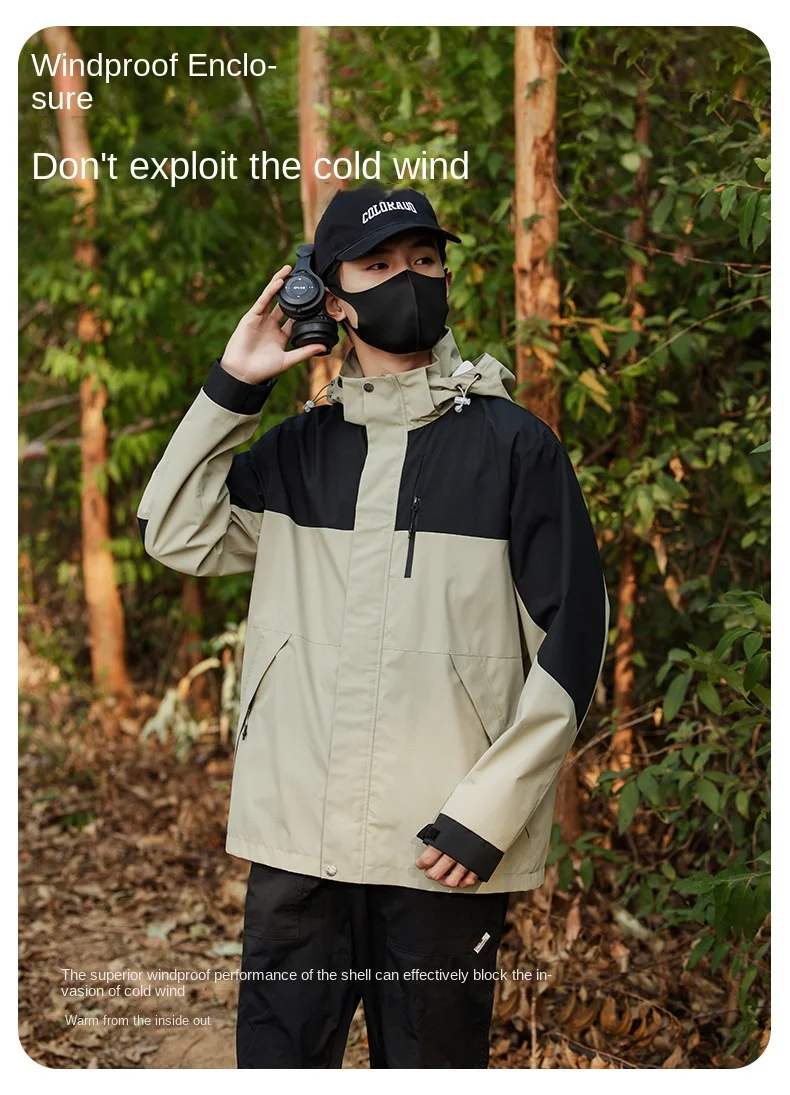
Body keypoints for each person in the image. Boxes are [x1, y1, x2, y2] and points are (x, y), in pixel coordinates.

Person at [136, 183, 610, 1068]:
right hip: (298, 844)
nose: (410, 279)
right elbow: (174, 530)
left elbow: (575, 641)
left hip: (442, 847)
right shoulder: (295, 449)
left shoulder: (515, 447)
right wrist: (236, 382)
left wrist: (488, 812)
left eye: (425, 260)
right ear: (333, 297)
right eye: (380, 265)